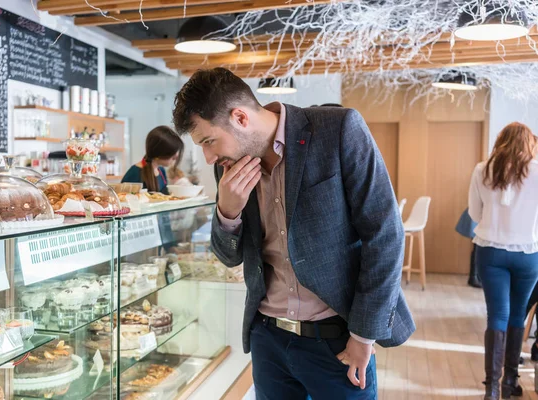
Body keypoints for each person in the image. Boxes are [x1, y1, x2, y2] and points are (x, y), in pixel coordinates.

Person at [172, 68, 415, 399]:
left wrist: (363, 336)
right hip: (268, 339)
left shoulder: (338, 130)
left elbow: (385, 235)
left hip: (337, 340)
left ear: (240, 117)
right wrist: (228, 211)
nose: (210, 157)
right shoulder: (227, 167)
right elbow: (229, 256)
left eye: (208, 141)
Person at [468, 122, 538, 400]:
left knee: (497, 315)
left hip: (491, 252)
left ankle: (493, 390)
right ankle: (510, 380)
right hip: (528, 254)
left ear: (501, 141)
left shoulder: (482, 169)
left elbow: (474, 213)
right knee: (518, 314)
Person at [121, 126, 184, 194]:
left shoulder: (161, 170)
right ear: (159, 154)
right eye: (172, 157)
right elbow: (125, 200)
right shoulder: (134, 174)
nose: (175, 158)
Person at [454, 208, 481, 288]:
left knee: (478, 246)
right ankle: (474, 277)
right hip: (480, 214)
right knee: (478, 246)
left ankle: (475, 277)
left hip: (481, 213)